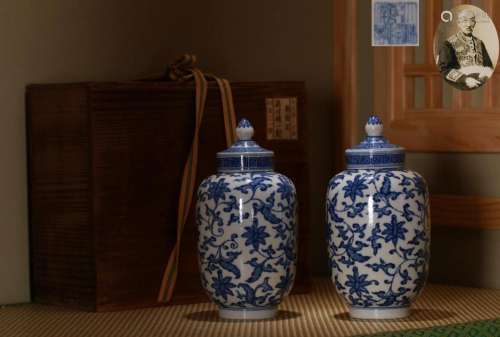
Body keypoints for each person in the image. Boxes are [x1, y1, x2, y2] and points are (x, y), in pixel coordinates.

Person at [437, 9, 493, 90]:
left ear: (475, 23)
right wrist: (465, 79)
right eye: (464, 21)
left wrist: (484, 76)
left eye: (471, 21)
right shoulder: (448, 44)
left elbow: (489, 66)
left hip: (481, 83)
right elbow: (443, 69)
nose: (468, 24)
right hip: (460, 85)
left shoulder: (480, 42)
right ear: (459, 23)